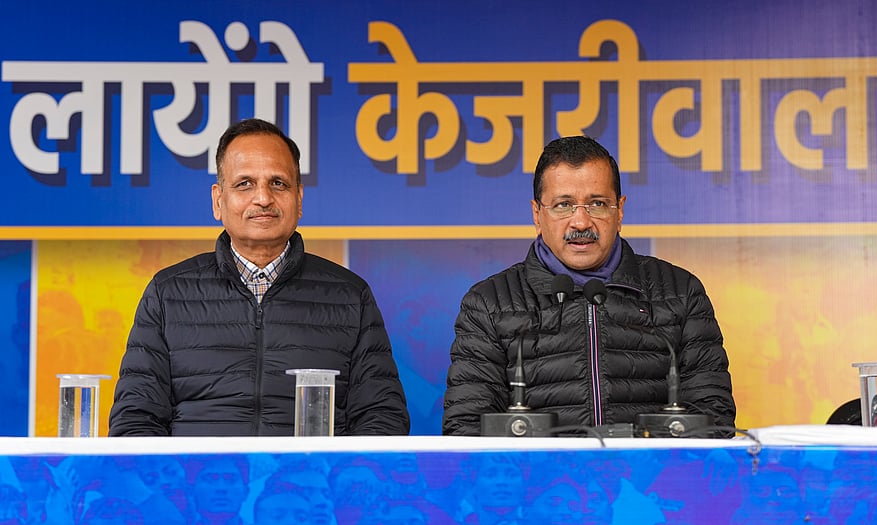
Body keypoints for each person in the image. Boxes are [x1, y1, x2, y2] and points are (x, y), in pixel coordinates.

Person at [109, 118, 409, 436]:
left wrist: (326, 482)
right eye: (245, 184)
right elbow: (135, 420)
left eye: (278, 183)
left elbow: (382, 418)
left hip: (311, 483)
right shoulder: (168, 293)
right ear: (218, 200)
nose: (263, 198)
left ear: (299, 199)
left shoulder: (350, 296)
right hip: (200, 483)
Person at [442, 135, 735, 435]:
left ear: (619, 211)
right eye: (563, 205)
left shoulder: (680, 293)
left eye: (597, 204)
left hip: (648, 479)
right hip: (538, 481)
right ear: (537, 214)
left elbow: (713, 423)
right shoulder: (490, 304)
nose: (580, 223)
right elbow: (467, 432)